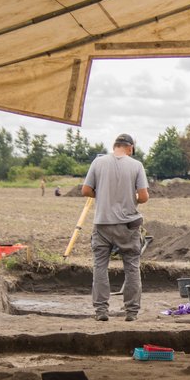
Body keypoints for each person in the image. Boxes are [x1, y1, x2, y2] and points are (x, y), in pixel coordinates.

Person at [82, 133, 149, 322]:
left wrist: (103, 196)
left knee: (100, 267)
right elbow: (143, 197)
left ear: (114, 146)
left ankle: (101, 311)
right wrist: (130, 197)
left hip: (102, 224)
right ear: (130, 148)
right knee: (132, 268)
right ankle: (131, 312)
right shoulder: (136, 165)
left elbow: (86, 190)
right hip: (127, 225)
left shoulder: (98, 163)